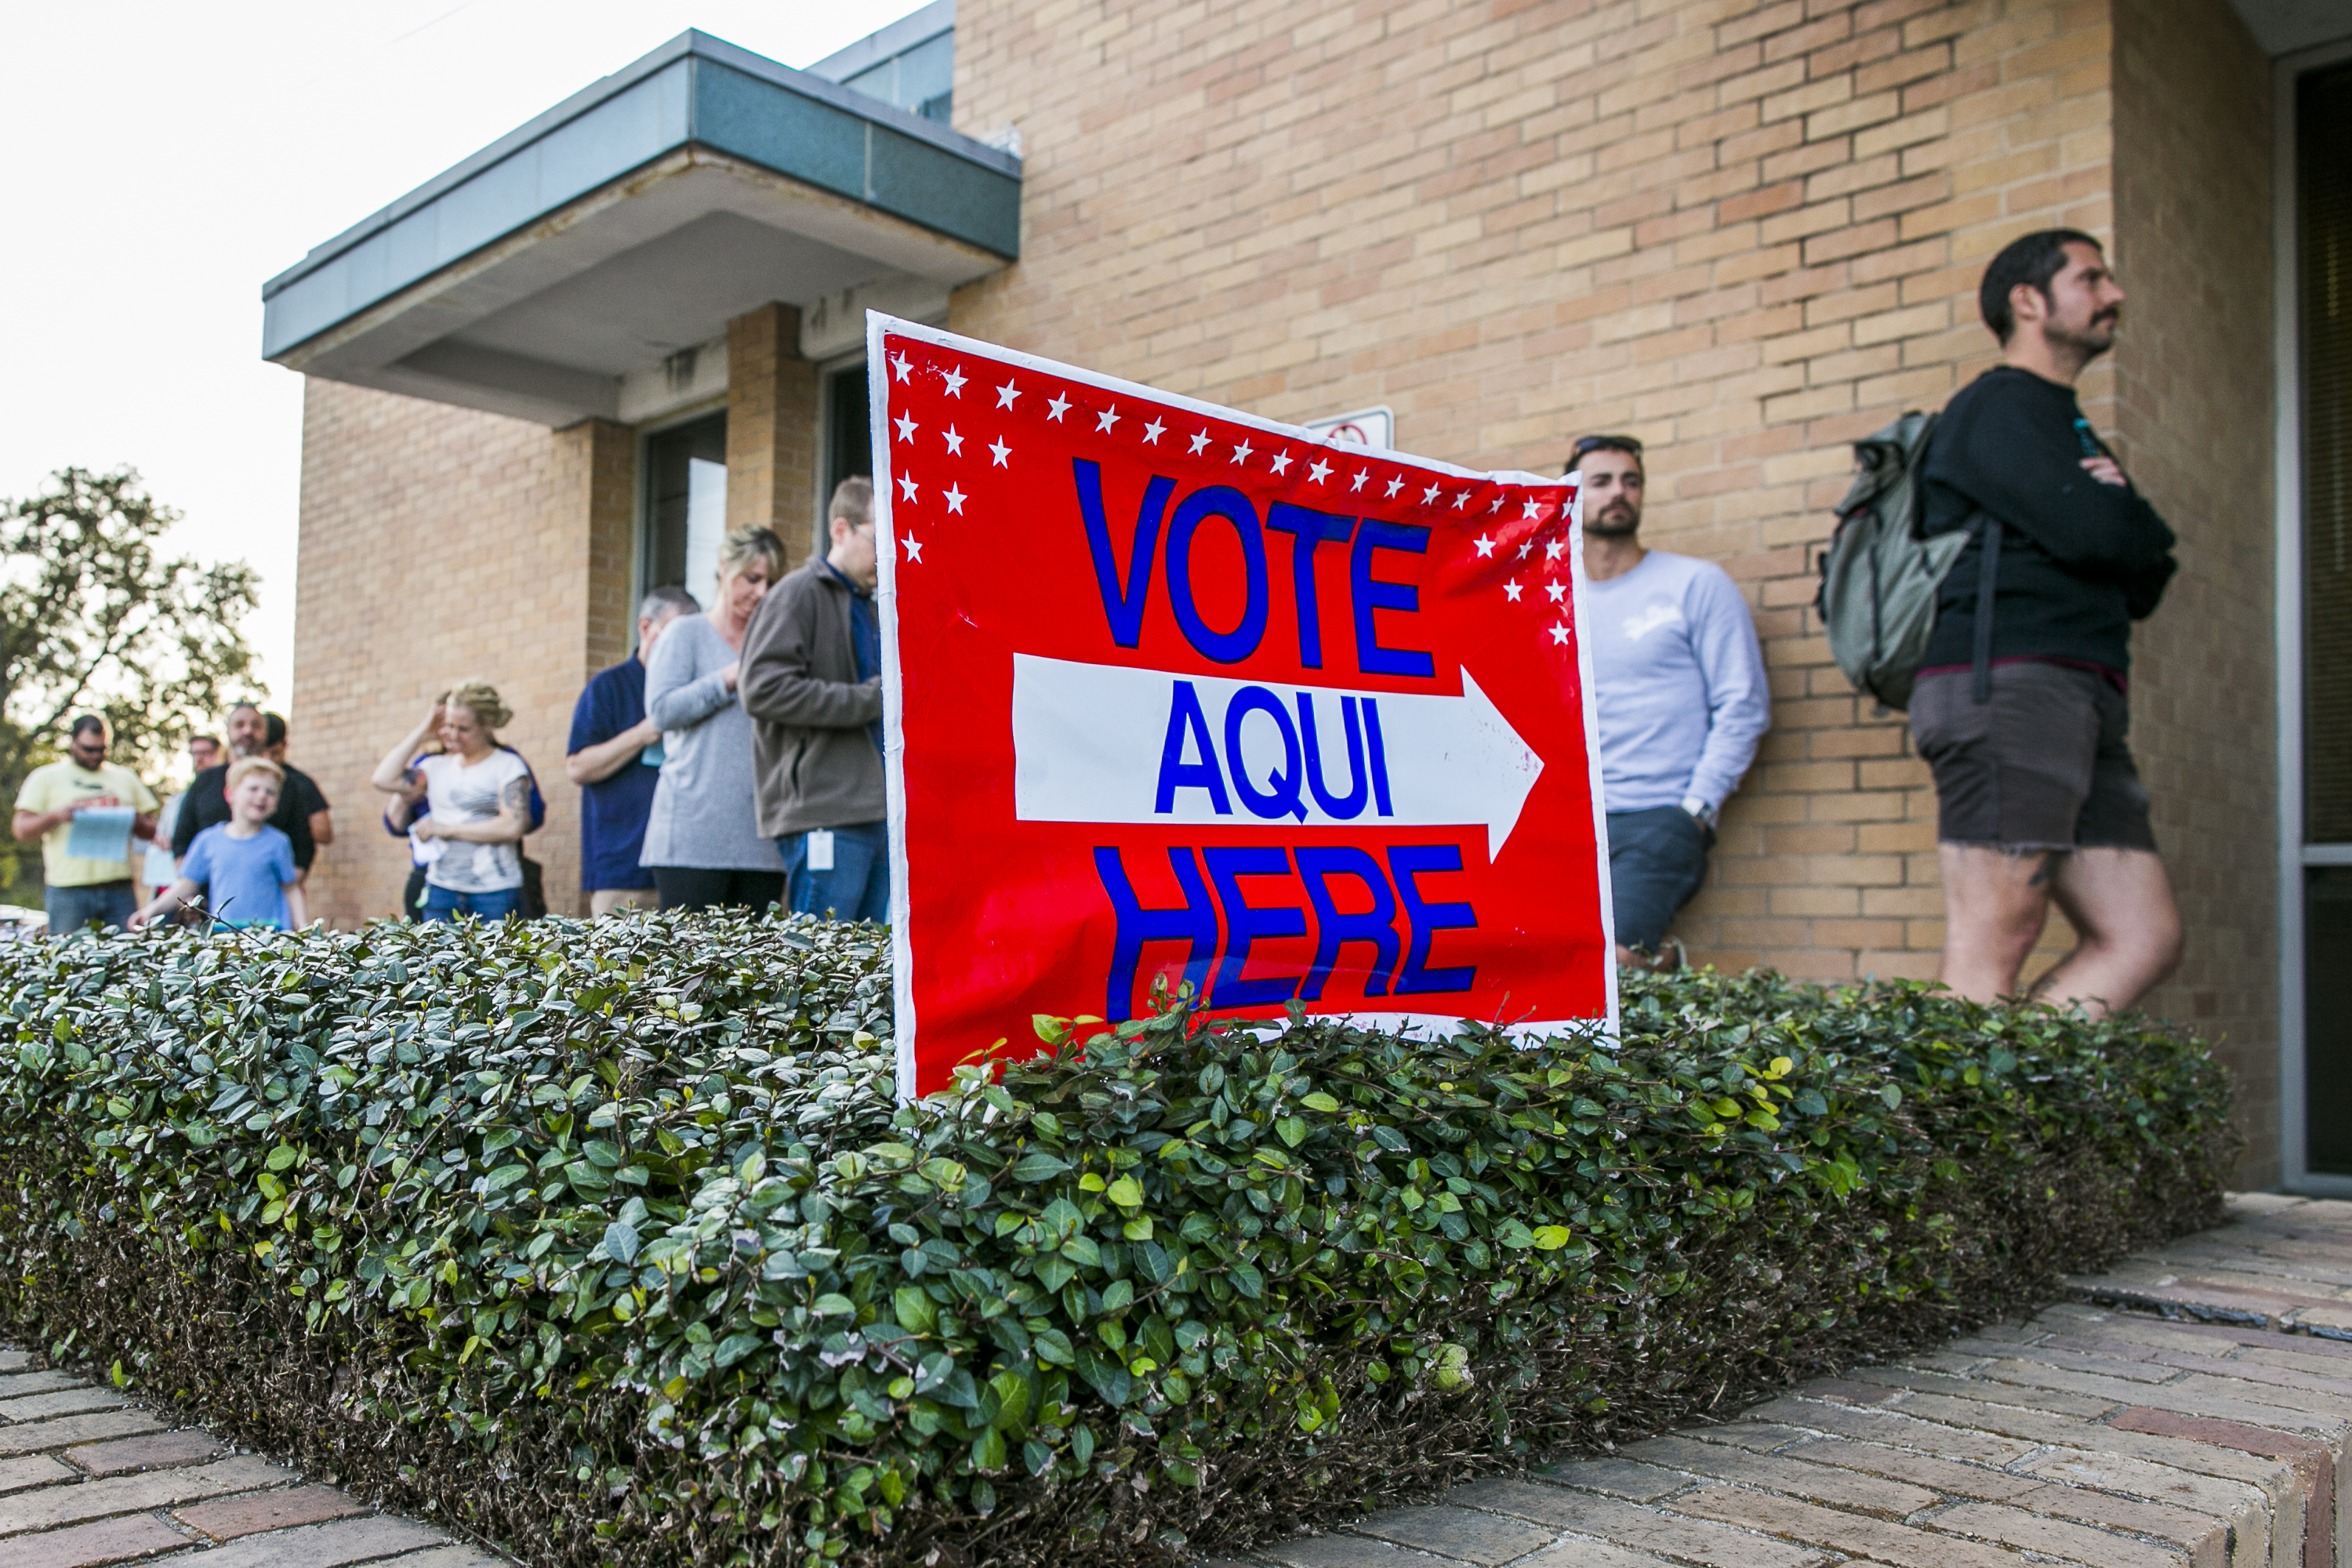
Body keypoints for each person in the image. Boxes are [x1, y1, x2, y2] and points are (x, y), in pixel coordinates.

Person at [1910, 230, 2181, 1016]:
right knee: (1996, 934)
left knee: (2143, 933)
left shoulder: (2070, 426)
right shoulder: (1995, 408)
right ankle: (1959, 1133)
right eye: (2091, 278)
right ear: (2028, 301)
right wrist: (2119, 512)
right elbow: (2104, 537)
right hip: (2007, 686)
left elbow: (2152, 572)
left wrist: (2119, 519)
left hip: (2082, 689)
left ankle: (2011, 1101)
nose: (2115, 294)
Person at [1570, 437, 1770, 968]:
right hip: (1570, 821)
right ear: (1572, 494)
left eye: (1631, 481)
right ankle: (1667, 977)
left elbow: (1743, 704)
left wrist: (1695, 810)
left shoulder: (1694, 584)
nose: (1620, 492)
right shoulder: (1555, 598)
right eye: (1602, 481)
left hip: (1659, 816)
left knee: (1612, 964)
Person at [741, 477, 891, 924]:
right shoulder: (797, 593)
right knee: (819, 967)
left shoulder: (873, 604)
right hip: (822, 813)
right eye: (878, 540)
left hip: (876, 810)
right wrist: (871, 699)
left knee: (863, 969)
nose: (889, 555)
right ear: (841, 530)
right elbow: (761, 689)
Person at [641, 528, 788, 910]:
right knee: (690, 969)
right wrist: (726, 678)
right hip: (691, 838)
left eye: (770, 582)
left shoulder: (775, 642)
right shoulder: (684, 633)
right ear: (724, 568)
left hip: (763, 841)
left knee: (753, 968)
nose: (761, 592)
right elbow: (661, 712)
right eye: (752, 578)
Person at [568, 586, 699, 915]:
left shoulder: (698, 690)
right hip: (623, 870)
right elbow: (578, 768)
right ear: (645, 627)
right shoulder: (607, 687)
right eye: (674, 633)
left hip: (690, 864)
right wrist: (643, 733)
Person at [368, 683, 533, 922]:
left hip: (495, 892)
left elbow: (513, 826)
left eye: (464, 728)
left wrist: (446, 829)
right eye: (449, 726)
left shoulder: (507, 765)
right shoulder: (435, 767)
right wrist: (422, 732)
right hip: (441, 890)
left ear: (487, 726)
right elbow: (382, 779)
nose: (453, 735)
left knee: (497, 960)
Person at [12, 714, 161, 934]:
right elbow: (21, 830)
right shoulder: (46, 777)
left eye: (101, 749)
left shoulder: (125, 778)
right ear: (73, 743)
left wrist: (134, 819)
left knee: (126, 959)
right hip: (68, 890)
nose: (95, 755)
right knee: (66, 959)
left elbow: (154, 831)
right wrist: (54, 816)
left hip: (119, 888)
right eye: (88, 749)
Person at [132, 757, 305, 931]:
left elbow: (291, 888)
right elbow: (187, 884)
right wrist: (150, 911)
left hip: (269, 936)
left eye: (270, 792)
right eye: (253, 788)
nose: (262, 796)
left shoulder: (278, 842)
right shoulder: (208, 841)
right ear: (230, 794)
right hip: (223, 938)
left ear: (277, 802)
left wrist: (302, 929)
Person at [173, 704, 317, 875]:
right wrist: (191, 895)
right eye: (239, 725)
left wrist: (288, 889)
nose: (248, 731)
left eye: (256, 726)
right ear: (228, 731)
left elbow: (303, 847)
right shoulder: (204, 782)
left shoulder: (285, 784)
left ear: (265, 733)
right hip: (207, 898)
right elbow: (181, 841)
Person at [143, 733, 220, 903]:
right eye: (195, 754)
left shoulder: (229, 798)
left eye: (205, 753)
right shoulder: (178, 800)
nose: (199, 759)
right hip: (172, 883)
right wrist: (158, 839)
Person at [263, 711, 335, 854]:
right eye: (261, 753)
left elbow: (325, 834)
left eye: (274, 753)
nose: (267, 760)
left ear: (285, 745)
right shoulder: (236, 775)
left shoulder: (300, 782)